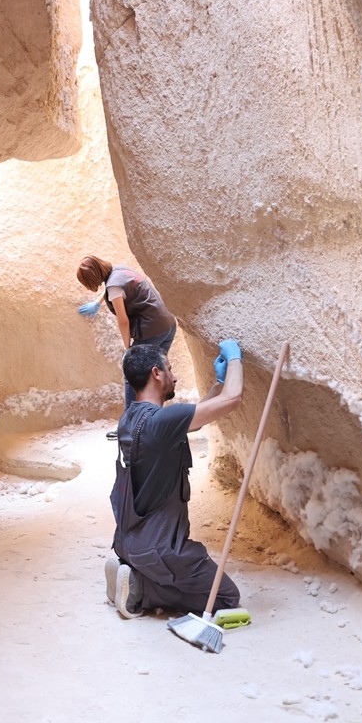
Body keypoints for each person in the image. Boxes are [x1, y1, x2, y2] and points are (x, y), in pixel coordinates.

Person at [103, 339, 245, 619]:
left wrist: (217, 384)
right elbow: (234, 399)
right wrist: (235, 359)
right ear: (156, 373)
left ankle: (133, 573)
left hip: (129, 543)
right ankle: (141, 587)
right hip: (161, 550)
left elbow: (195, 419)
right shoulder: (162, 422)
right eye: (169, 368)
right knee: (227, 596)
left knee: (192, 583)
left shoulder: (130, 418)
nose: (174, 375)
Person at [76, 255, 177, 420]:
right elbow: (116, 289)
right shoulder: (120, 270)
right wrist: (98, 301)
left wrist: (127, 348)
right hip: (168, 325)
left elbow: (123, 321)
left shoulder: (114, 287)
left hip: (152, 329)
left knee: (132, 373)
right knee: (159, 373)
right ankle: (156, 420)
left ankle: (131, 422)